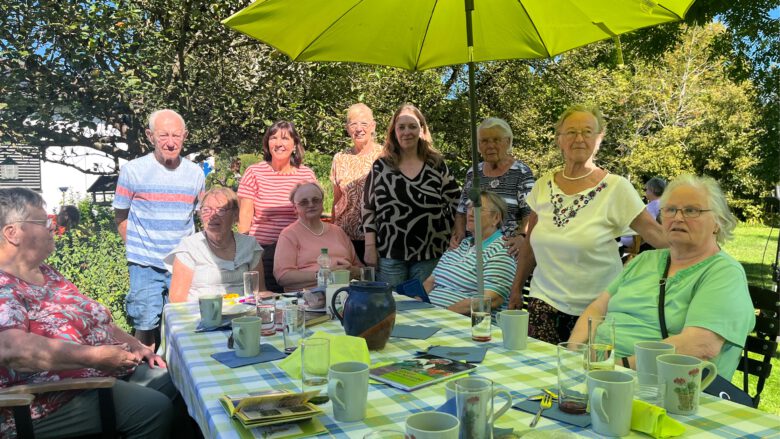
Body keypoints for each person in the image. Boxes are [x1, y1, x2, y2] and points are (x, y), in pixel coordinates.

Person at [0, 188, 178, 438]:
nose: (52, 226)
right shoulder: (4, 286)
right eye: (43, 221)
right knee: (154, 409)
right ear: (12, 233)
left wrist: (136, 346)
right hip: (45, 400)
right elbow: (13, 351)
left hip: (95, 375)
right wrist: (95, 357)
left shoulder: (47, 273)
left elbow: (96, 318)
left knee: (178, 381)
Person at [507, 104, 666, 345]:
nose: (579, 138)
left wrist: (700, 247)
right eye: (571, 132)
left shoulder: (616, 187)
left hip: (597, 307)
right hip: (543, 302)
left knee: (589, 377)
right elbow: (530, 242)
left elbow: (656, 235)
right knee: (541, 374)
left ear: (599, 139)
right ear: (559, 140)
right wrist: (517, 287)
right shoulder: (542, 185)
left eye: (587, 132)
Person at [568, 175, 755, 379]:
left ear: (718, 222)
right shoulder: (644, 260)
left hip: (664, 386)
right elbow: (597, 308)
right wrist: (574, 353)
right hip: (600, 370)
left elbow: (701, 345)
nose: (678, 218)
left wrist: (616, 367)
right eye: (670, 210)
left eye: (691, 210)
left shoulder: (723, 273)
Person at [113, 109, 205, 348]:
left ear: (185, 136)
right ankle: (145, 379)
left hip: (183, 262)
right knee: (145, 328)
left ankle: (178, 378)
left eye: (177, 135)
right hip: (145, 264)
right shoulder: (132, 170)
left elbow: (202, 216)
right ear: (150, 136)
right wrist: (136, 248)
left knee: (186, 324)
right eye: (163, 135)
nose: (171, 142)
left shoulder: (196, 173)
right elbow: (120, 215)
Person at [362, 103, 460, 288]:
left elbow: (457, 201)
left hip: (431, 254)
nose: (407, 132)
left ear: (422, 130)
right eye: (401, 127)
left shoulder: (436, 164)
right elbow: (368, 207)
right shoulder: (381, 167)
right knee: (391, 307)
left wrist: (458, 232)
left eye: (412, 126)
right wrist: (369, 247)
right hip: (390, 255)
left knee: (424, 308)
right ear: (394, 131)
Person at [238, 121, 317, 294]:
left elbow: (313, 216)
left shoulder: (306, 174)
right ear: (267, 143)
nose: (279, 143)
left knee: (301, 303)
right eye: (273, 138)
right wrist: (243, 254)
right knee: (266, 303)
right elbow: (244, 219)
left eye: (285, 138)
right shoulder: (254, 172)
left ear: (294, 144)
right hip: (263, 252)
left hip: (298, 252)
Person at [450, 118, 535, 256]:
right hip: (472, 251)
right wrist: (458, 233)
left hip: (506, 251)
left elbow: (531, 214)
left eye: (496, 140)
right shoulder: (473, 173)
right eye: (484, 141)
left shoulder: (521, 172)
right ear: (478, 145)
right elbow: (461, 211)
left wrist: (522, 237)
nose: (490, 145)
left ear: (507, 142)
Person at [165, 187, 264, 302]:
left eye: (220, 210)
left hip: (243, 313)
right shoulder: (189, 247)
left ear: (235, 214)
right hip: (201, 314)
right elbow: (177, 299)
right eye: (206, 210)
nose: (212, 215)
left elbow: (259, 291)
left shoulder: (249, 245)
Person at [425, 191, 516, 315]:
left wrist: (441, 315)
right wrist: (416, 305)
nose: (471, 213)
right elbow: (430, 281)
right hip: (429, 317)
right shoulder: (460, 244)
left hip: (467, 326)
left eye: (478, 208)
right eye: (468, 207)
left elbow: (490, 300)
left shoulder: (501, 251)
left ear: (496, 218)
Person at [275, 182, 362, 291]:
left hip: (347, 293)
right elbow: (283, 276)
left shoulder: (338, 231)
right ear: (295, 208)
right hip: (308, 297)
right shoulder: (289, 234)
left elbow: (360, 269)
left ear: (322, 203)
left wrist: (352, 271)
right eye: (304, 202)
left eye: (315, 200)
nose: (311, 204)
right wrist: (325, 275)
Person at [330, 104, 383, 262]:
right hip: (345, 236)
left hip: (378, 236)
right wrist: (331, 232)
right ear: (347, 128)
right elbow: (337, 200)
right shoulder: (340, 158)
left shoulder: (385, 155)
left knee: (375, 282)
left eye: (364, 123)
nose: (359, 128)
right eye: (353, 124)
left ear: (373, 126)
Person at [620, 176, 667, 251]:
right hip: (642, 239)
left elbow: (648, 228)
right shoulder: (661, 204)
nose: (646, 192)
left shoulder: (655, 205)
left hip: (640, 241)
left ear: (653, 190)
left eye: (647, 189)